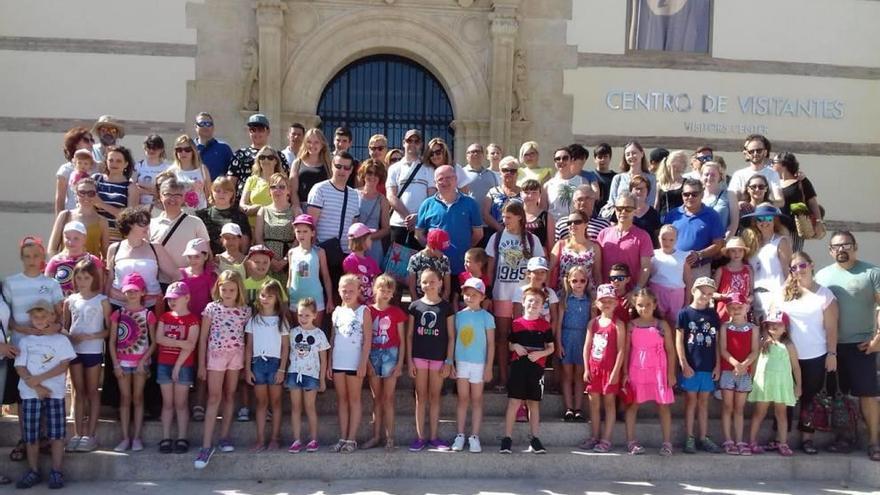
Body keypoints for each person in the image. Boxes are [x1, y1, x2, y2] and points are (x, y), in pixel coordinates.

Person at [815, 231, 880, 460]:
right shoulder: (822, 276)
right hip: (832, 347)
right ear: (830, 251)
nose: (842, 249)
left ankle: (874, 443)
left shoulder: (872, 272)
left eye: (846, 245)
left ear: (855, 246)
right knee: (838, 396)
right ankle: (844, 438)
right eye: (836, 246)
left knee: (868, 395)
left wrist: (877, 340)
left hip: (862, 345)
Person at [774, 251, 838, 455]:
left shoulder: (825, 295)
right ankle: (780, 437)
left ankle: (807, 438)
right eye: (794, 267)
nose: (798, 270)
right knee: (785, 397)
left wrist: (832, 354)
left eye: (802, 265)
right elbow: (773, 316)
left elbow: (831, 328)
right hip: (787, 353)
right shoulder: (785, 293)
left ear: (811, 265)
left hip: (816, 354)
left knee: (810, 398)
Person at [13, 301, 75, 489]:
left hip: (54, 392)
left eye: (43, 316)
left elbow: (64, 365)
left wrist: (40, 378)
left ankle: (56, 471)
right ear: (30, 319)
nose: (39, 320)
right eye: (35, 316)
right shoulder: (25, 341)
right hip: (30, 393)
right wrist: (35, 385)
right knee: (31, 435)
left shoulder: (60, 340)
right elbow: (20, 366)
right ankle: (33, 471)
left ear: (52, 317)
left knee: (56, 434)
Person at [194, 270, 252, 468]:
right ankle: (206, 445)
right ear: (218, 288)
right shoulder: (212, 308)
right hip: (216, 356)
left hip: (236, 356)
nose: (227, 293)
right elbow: (202, 338)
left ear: (238, 291)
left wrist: (246, 363)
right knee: (213, 397)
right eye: (224, 289)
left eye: (232, 290)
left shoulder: (245, 310)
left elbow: (246, 338)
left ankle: (225, 436)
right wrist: (201, 364)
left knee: (230, 395)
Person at [487, 201, 544, 388]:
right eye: (503, 217)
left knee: (523, 337)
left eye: (509, 217)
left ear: (520, 217)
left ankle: (522, 378)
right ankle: (504, 378)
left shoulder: (531, 239)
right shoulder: (496, 238)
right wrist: (488, 291)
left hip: (523, 295)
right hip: (501, 293)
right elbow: (490, 268)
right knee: (502, 337)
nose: (505, 221)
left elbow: (540, 266)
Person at [62, 258, 110, 453]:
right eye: (79, 277)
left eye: (86, 277)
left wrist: (91, 336)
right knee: (78, 392)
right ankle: (77, 432)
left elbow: (108, 330)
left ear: (94, 278)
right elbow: (64, 327)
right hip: (75, 351)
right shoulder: (70, 300)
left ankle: (90, 434)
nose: (82, 281)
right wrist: (71, 336)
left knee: (92, 391)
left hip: (93, 350)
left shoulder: (102, 301)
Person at [499, 287, 554, 455]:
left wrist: (540, 354)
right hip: (518, 367)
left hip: (536, 368)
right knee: (514, 402)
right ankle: (507, 438)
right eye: (530, 300)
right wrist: (515, 345)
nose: (533, 304)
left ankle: (535, 439)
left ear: (542, 305)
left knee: (533, 403)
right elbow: (510, 344)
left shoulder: (545, 325)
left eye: (537, 302)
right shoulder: (516, 323)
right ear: (523, 302)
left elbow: (551, 348)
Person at [406, 268, 454, 452]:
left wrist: (449, 361)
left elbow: (451, 336)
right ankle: (420, 437)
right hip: (419, 357)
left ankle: (433, 437)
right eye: (425, 282)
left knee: (435, 397)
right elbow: (410, 335)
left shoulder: (446, 307)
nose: (428, 285)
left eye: (432, 281)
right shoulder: (415, 306)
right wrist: (409, 361)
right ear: (420, 283)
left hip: (438, 359)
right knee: (420, 397)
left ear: (441, 283)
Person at [108, 273, 157, 453]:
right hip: (122, 362)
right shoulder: (117, 314)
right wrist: (115, 364)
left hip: (140, 364)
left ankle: (136, 437)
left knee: (137, 398)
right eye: (128, 291)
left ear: (143, 292)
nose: (132, 294)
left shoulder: (148, 315)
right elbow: (112, 342)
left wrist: (144, 361)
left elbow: (153, 342)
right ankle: (125, 437)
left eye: (135, 291)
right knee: (125, 399)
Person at [624, 288, 676, 456]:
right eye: (640, 305)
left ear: (654, 305)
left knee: (663, 406)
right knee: (633, 405)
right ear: (634, 305)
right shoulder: (631, 326)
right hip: (636, 369)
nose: (644, 308)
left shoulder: (661, 325)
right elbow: (625, 350)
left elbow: (670, 350)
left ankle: (667, 442)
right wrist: (624, 372)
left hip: (659, 369)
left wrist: (671, 373)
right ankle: (631, 441)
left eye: (647, 305)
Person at [675, 276, 723, 454]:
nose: (705, 296)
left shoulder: (713, 315)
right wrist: (683, 363)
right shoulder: (684, 313)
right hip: (691, 366)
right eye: (702, 292)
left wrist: (717, 365)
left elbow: (717, 341)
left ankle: (703, 437)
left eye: (710, 294)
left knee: (704, 402)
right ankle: (689, 437)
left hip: (708, 366)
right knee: (690, 402)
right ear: (694, 290)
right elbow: (679, 340)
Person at [414, 164, 483, 283]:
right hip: (435, 271)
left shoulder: (470, 203)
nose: (444, 182)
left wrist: (464, 250)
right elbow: (418, 234)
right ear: (435, 183)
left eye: (448, 178)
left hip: (461, 268)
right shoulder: (427, 204)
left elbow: (478, 234)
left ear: (456, 180)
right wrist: (431, 251)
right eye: (440, 179)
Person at [747, 309, 802, 456]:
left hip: (781, 385)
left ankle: (783, 443)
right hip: (764, 383)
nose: (774, 327)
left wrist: (799, 385)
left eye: (778, 324)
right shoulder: (763, 343)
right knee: (759, 412)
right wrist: (751, 379)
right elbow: (755, 362)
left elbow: (795, 366)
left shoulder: (788, 345)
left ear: (785, 327)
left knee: (781, 414)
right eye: (770, 324)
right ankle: (752, 441)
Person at [155, 282, 200, 455]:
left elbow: (191, 345)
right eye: (169, 299)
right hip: (164, 363)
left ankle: (182, 437)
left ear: (187, 298)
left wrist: (178, 366)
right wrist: (180, 343)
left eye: (176, 299)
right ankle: (165, 437)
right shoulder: (165, 317)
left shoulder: (193, 319)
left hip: (183, 365)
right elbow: (159, 339)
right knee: (167, 403)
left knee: (181, 404)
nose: (172, 302)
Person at [450, 277, 495, 453]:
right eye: (467, 294)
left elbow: (491, 344)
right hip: (462, 362)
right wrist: (451, 362)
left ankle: (474, 436)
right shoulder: (459, 316)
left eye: (474, 294)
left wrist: (489, 366)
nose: (469, 297)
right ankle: (460, 435)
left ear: (482, 296)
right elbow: (453, 340)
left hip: (478, 364)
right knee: (462, 399)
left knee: (476, 400)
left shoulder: (487, 317)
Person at [245, 279, 291, 451]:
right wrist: (248, 368)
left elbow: (286, 347)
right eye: (263, 295)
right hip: (258, 363)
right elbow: (248, 346)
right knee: (261, 402)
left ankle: (275, 438)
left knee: (276, 402)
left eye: (270, 296)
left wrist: (282, 368)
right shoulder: (253, 320)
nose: (265, 299)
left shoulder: (282, 321)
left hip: (275, 364)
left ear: (277, 298)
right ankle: (260, 439)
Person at [328, 275, 371, 453]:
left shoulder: (364, 311)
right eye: (344, 290)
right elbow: (332, 337)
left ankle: (351, 438)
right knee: (342, 400)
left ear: (359, 291)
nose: (347, 294)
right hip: (338, 361)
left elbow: (368, 339)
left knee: (354, 399)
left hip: (354, 362)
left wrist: (363, 362)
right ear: (338, 290)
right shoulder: (336, 312)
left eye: (351, 291)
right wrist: (329, 363)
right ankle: (342, 436)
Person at [363, 275, 407, 451]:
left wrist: (399, 364)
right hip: (373, 354)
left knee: (388, 398)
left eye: (389, 291)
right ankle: (376, 436)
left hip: (390, 355)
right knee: (377, 398)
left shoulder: (397, 312)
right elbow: (363, 339)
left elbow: (402, 341)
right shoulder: (367, 311)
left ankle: (390, 438)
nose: (386, 293)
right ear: (375, 289)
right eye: (382, 289)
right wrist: (367, 362)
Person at [581, 283, 626, 453]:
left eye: (610, 300)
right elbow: (587, 347)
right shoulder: (593, 323)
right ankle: (594, 436)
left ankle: (606, 439)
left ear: (616, 303)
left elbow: (622, 350)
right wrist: (586, 368)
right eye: (603, 300)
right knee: (593, 405)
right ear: (597, 303)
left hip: (610, 371)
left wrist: (616, 373)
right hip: (594, 369)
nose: (606, 303)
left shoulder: (618, 324)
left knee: (609, 404)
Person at [307, 151, 362, 284]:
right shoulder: (319, 189)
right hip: (323, 253)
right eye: (338, 166)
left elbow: (354, 227)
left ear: (351, 170)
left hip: (346, 255)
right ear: (332, 166)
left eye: (346, 167)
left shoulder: (355, 195)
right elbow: (311, 224)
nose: (342, 170)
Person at [285, 297, 330, 454]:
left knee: (310, 407)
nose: (303, 318)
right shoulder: (292, 333)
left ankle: (313, 439)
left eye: (306, 315)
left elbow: (323, 359)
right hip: (294, 374)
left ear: (314, 315)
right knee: (296, 408)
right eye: (300, 315)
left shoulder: (319, 334)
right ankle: (296, 440)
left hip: (311, 376)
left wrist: (322, 379)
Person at [718, 293, 759, 456]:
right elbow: (723, 349)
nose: (736, 310)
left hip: (744, 371)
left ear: (746, 308)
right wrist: (735, 363)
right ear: (728, 309)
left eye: (739, 307)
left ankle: (740, 440)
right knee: (728, 406)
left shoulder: (753, 328)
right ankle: (728, 440)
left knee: (739, 408)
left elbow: (755, 350)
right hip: (728, 371)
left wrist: (744, 365)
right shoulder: (725, 327)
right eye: (733, 307)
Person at [149, 178, 210, 286]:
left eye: (177, 195)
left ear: (183, 198)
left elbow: (207, 253)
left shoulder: (195, 222)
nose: (172, 199)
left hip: (189, 282)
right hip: (158, 283)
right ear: (160, 196)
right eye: (168, 194)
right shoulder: (151, 224)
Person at [664, 178, 725, 279]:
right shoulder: (673, 214)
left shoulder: (712, 215)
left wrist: (699, 254)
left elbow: (718, 244)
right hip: (674, 267)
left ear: (702, 195)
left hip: (699, 269)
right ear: (682, 195)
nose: (690, 197)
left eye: (694, 194)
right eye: (686, 194)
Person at [741, 204, 792, 319]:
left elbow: (787, 271)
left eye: (768, 218)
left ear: (775, 220)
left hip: (775, 295)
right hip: (755, 297)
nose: (764, 222)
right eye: (760, 219)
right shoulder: (753, 244)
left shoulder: (781, 241)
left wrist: (785, 295)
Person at [597, 192, 652, 292]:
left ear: (635, 211)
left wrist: (636, 291)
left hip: (630, 294)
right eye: (619, 208)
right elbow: (597, 267)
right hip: (607, 295)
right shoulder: (603, 234)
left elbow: (646, 268)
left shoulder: (643, 236)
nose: (623, 212)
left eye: (628, 209)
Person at [287, 214, 335, 326]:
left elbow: (326, 277)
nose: (301, 234)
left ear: (312, 233)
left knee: (315, 332)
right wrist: (287, 300)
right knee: (298, 334)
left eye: (305, 231)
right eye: (298, 231)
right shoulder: (291, 252)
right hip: (296, 299)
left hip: (315, 299)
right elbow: (290, 278)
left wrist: (330, 300)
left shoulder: (319, 252)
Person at [228, 113, 289, 201]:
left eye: (260, 129)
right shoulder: (240, 154)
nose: (256, 133)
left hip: (273, 203)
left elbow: (286, 180)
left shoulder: (278, 156)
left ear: (268, 131)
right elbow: (231, 181)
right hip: (243, 205)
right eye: (253, 130)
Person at [557, 265, 591, 422]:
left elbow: (593, 323)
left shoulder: (590, 301)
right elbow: (558, 324)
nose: (578, 284)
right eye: (575, 280)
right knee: (567, 374)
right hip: (567, 336)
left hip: (583, 338)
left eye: (582, 280)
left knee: (579, 375)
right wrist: (558, 343)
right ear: (569, 282)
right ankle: (568, 408)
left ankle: (578, 408)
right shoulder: (564, 300)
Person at [772, 152, 824, 252]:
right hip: (775, 228)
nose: (771, 165)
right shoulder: (773, 182)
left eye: (773, 162)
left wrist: (818, 221)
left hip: (795, 229)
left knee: (794, 258)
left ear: (783, 164)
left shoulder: (801, 181)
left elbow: (812, 202)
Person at [47, 177, 110, 260]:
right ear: (76, 195)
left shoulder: (102, 221)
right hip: (67, 268)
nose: (86, 196)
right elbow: (52, 249)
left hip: (90, 269)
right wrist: (58, 265)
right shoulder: (65, 215)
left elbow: (105, 253)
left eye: (91, 193)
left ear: (96, 195)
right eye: (82, 192)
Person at [196, 176, 253, 256]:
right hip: (209, 261)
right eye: (218, 191)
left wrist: (239, 261)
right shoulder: (202, 215)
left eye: (225, 192)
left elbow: (245, 242)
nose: (221, 194)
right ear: (212, 192)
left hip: (234, 261)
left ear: (232, 193)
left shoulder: (240, 216)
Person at [45, 221, 104, 297]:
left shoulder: (93, 261)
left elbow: (100, 288)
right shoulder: (55, 260)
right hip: (59, 305)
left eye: (76, 238)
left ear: (84, 238)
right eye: (67, 238)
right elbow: (46, 286)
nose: (71, 242)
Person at [93, 145, 139, 241]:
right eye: (111, 160)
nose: (114, 164)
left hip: (116, 235)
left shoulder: (130, 187)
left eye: (118, 161)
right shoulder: (96, 179)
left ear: (126, 164)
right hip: (94, 231)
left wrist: (101, 204)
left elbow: (129, 218)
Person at [650, 225, 692, 328]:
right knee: (658, 320)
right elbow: (648, 274)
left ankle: (673, 343)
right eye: (664, 239)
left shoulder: (683, 256)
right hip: (657, 291)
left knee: (675, 322)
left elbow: (688, 280)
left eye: (671, 239)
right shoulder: (653, 254)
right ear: (659, 237)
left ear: (676, 240)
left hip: (677, 294)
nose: (667, 242)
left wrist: (687, 301)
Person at [254, 173, 295, 279]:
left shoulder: (295, 211)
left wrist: (285, 260)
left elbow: (299, 239)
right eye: (273, 187)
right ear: (269, 191)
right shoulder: (263, 211)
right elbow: (258, 238)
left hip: (290, 261)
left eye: (282, 187)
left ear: (288, 191)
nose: (277, 190)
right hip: (266, 262)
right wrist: (270, 259)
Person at [549, 211, 601, 293]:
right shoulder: (560, 245)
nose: (572, 225)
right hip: (564, 294)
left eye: (577, 222)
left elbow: (597, 274)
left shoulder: (594, 247)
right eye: (569, 223)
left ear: (586, 224)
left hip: (588, 294)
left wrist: (599, 293)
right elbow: (549, 270)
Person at [160, 135, 213, 214]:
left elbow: (209, 193)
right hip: (179, 212)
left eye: (187, 149)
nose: (183, 152)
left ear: (193, 151)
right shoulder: (171, 171)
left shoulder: (202, 169)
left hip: (200, 211)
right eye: (179, 150)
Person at [729, 134, 783, 207]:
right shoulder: (739, 175)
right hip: (746, 214)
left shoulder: (772, 174)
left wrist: (767, 205)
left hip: (768, 215)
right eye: (751, 151)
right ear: (747, 154)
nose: (755, 153)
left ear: (765, 152)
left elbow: (780, 201)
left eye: (759, 150)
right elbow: (732, 199)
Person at [356, 159, 391, 268]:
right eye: (369, 173)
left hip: (373, 246)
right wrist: (357, 239)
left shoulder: (382, 200)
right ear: (363, 174)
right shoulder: (353, 194)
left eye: (377, 174)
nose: (373, 176)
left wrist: (368, 238)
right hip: (354, 243)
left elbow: (386, 229)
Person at [55, 127, 97, 215]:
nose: (91, 143)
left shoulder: (99, 167)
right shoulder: (66, 169)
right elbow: (60, 199)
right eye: (86, 140)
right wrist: (59, 223)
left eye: (92, 140)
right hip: (73, 217)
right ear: (75, 144)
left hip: (94, 218)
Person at [289, 128, 332, 214]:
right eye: (309, 142)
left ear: (322, 144)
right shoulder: (297, 163)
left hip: (324, 209)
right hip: (302, 207)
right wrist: (297, 207)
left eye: (316, 142)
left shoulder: (329, 164)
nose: (312, 145)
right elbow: (293, 190)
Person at [606, 141, 657, 212]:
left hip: (642, 218)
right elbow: (612, 202)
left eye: (634, 153)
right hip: (621, 217)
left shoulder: (651, 178)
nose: (631, 156)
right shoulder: (618, 178)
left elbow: (651, 202)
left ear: (642, 154)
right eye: (627, 154)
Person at [240, 146, 285, 227]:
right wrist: (249, 209)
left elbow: (285, 204)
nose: (266, 160)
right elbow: (242, 205)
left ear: (276, 161)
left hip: (274, 227)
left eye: (270, 157)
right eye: (262, 157)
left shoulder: (282, 181)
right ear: (258, 161)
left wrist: (261, 208)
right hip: (252, 228)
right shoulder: (251, 180)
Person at [713, 237, 753, 323]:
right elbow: (712, 293)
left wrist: (748, 300)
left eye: (740, 250)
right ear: (728, 252)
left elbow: (752, 293)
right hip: (724, 310)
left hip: (742, 311)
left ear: (744, 252)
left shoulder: (748, 269)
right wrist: (723, 296)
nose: (737, 253)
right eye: (733, 251)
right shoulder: (721, 270)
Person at [483, 156, 522, 240]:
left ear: (517, 173)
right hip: (495, 235)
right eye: (505, 170)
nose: (509, 173)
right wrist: (501, 229)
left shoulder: (524, 193)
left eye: (512, 171)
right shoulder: (492, 192)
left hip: (518, 235)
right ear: (500, 172)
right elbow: (485, 214)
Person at [544, 147, 586, 222]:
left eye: (565, 158)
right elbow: (543, 210)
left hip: (576, 226)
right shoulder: (548, 185)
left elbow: (587, 207)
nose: (561, 161)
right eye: (558, 159)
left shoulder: (582, 181)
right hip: (555, 228)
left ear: (571, 160)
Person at [343, 223, 381, 304]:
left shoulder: (372, 262)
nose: (371, 241)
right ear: (362, 240)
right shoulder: (350, 261)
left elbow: (376, 283)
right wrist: (363, 299)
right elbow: (350, 283)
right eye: (369, 239)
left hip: (371, 304)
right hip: (355, 305)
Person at [701, 161, 739, 239]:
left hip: (721, 242)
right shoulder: (696, 196)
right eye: (706, 174)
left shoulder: (729, 195)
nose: (709, 177)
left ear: (720, 177)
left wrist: (724, 242)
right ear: (701, 176)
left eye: (713, 175)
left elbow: (734, 224)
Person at [133, 134, 171, 211]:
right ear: (144, 148)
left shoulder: (167, 168)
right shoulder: (138, 166)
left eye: (155, 148)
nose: (151, 150)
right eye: (149, 147)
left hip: (160, 206)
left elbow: (169, 189)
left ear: (161, 149)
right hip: (140, 206)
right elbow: (132, 186)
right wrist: (148, 192)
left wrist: (156, 194)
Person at [621, 175, 661, 247]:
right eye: (636, 188)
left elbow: (657, 238)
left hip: (647, 254)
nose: (639, 191)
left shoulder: (654, 214)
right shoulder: (622, 210)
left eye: (642, 189)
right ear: (631, 190)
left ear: (647, 191)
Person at [194, 112, 234, 181]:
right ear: (195, 127)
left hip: (216, 191)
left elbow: (231, 174)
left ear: (213, 127)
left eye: (208, 124)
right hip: (193, 190)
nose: (205, 126)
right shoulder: (188, 148)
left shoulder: (224, 149)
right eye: (202, 124)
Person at [463, 143, 499, 211]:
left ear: (483, 155)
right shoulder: (461, 174)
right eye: (472, 152)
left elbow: (497, 195)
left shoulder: (491, 174)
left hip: (488, 218)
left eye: (478, 151)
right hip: (468, 217)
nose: (476, 154)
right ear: (467, 156)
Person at [521, 179, 553, 254]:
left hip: (538, 258)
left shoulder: (547, 217)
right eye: (526, 192)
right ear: (521, 194)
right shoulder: (515, 214)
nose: (530, 196)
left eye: (534, 192)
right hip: (517, 255)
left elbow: (550, 244)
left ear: (539, 195)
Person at [654, 150, 687, 221]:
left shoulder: (687, 183)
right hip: (664, 219)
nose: (684, 164)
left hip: (681, 218)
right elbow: (657, 205)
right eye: (681, 161)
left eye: (684, 161)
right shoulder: (661, 184)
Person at [592, 143, 615, 216]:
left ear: (610, 158)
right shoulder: (590, 176)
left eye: (605, 157)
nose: (603, 160)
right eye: (600, 157)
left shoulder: (616, 177)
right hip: (594, 216)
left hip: (611, 216)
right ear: (595, 159)